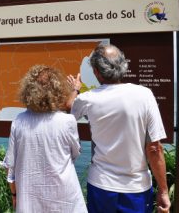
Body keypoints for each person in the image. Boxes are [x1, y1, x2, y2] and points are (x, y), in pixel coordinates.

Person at [66, 43, 171, 213]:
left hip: (100, 185)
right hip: (137, 188)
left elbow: (70, 107)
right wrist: (164, 191)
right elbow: (154, 148)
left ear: (96, 72)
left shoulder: (88, 99)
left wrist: (74, 89)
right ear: (123, 66)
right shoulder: (144, 95)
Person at [2, 64, 87, 213]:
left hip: (29, 202)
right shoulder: (68, 121)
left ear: (28, 90)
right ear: (57, 89)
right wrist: (75, 90)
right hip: (65, 200)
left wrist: (15, 194)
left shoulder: (19, 121)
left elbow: (10, 166)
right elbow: (75, 154)